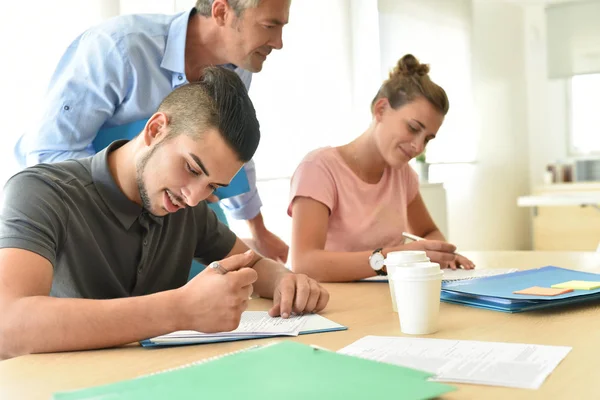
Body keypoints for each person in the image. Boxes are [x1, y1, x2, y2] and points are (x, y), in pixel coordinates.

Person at [0, 67, 329, 360]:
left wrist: (288, 281)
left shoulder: (189, 208)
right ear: (156, 129)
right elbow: (9, 324)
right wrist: (181, 309)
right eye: (191, 168)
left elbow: (253, 265)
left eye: (213, 186)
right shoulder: (40, 192)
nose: (193, 196)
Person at [13, 0, 290, 263]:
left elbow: (230, 150)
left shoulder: (238, 67)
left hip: (180, 209)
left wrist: (258, 230)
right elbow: (49, 152)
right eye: (269, 26)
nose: (278, 43)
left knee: (224, 284)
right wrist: (134, 201)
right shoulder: (118, 48)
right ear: (221, 12)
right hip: (97, 212)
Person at [287, 54, 475, 282]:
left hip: (387, 300)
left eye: (427, 139)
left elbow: (429, 233)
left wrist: (438, 253)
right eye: (413, 128)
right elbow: (304, 263)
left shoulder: (402, 175)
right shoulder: (318, 169)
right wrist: (390, 259)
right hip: (332, 305)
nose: (418, 146)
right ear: (381, 109)